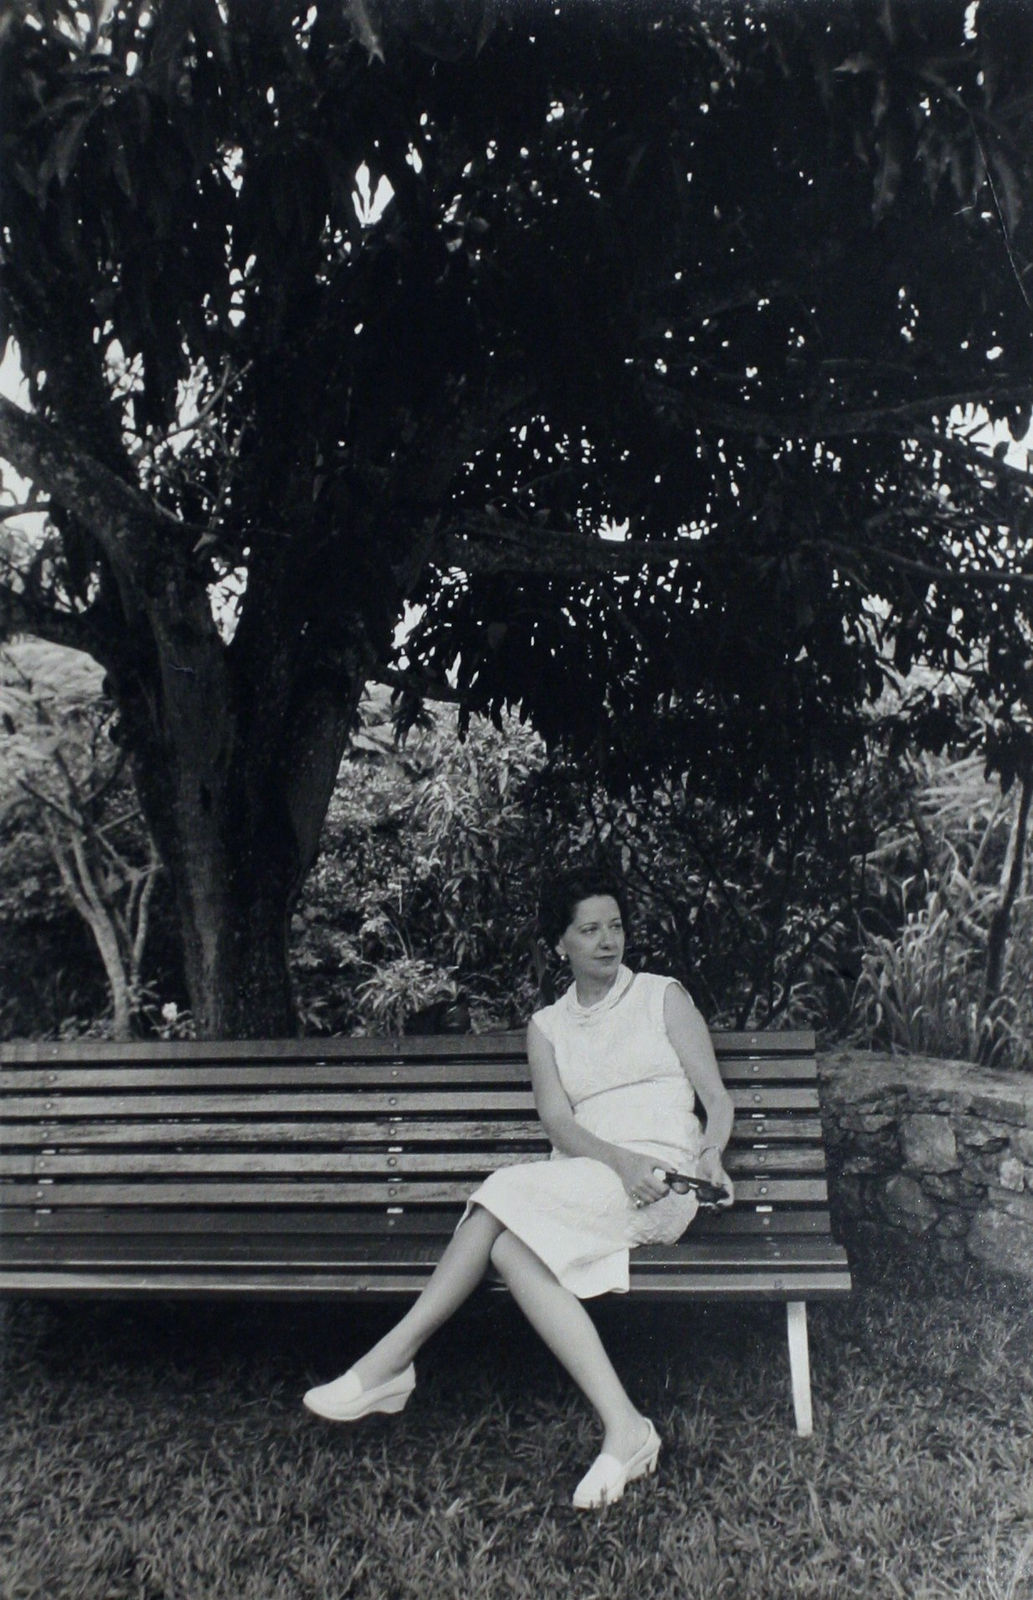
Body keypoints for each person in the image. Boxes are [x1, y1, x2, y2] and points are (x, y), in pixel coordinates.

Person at [302, 866, 735, 1509]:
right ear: (560, 942)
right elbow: (559, 1123)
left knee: (500, 1194)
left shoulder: (662, 996)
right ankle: (626, 1426)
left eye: (614, 926)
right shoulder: (548, 1027)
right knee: (506, 1246)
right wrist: (616, 1161)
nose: (607, 941)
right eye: (589, 930)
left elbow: (716, 1101)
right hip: (596, 1172)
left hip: (662, 1178)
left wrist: (712, 1155)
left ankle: (390, 1363)